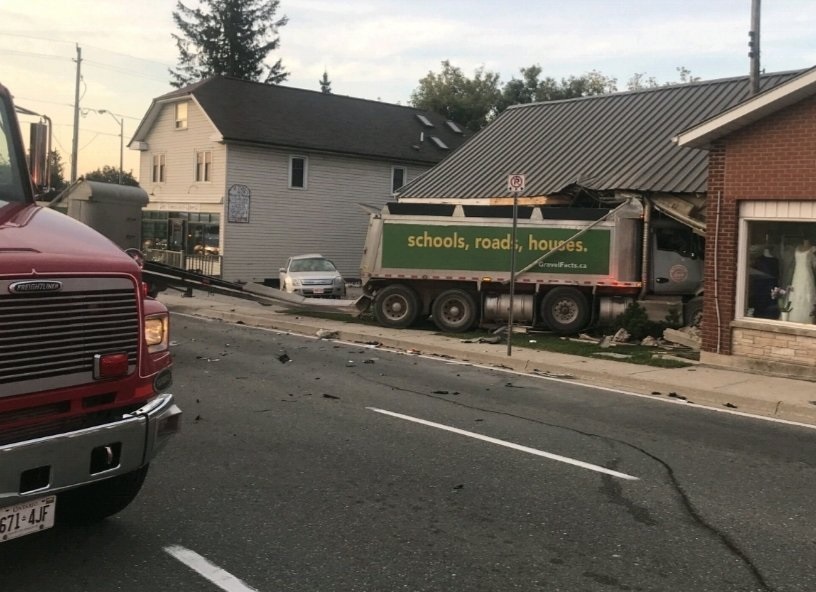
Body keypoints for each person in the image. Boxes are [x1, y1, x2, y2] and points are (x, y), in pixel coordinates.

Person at [787, 239, 816, 323]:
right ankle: (794, 317)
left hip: (807, 275)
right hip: (797, 274)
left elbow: (814, 264)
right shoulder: (797, 248)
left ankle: (807, 318)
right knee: (795, 294)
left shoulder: (813, 249)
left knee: (806, 293)